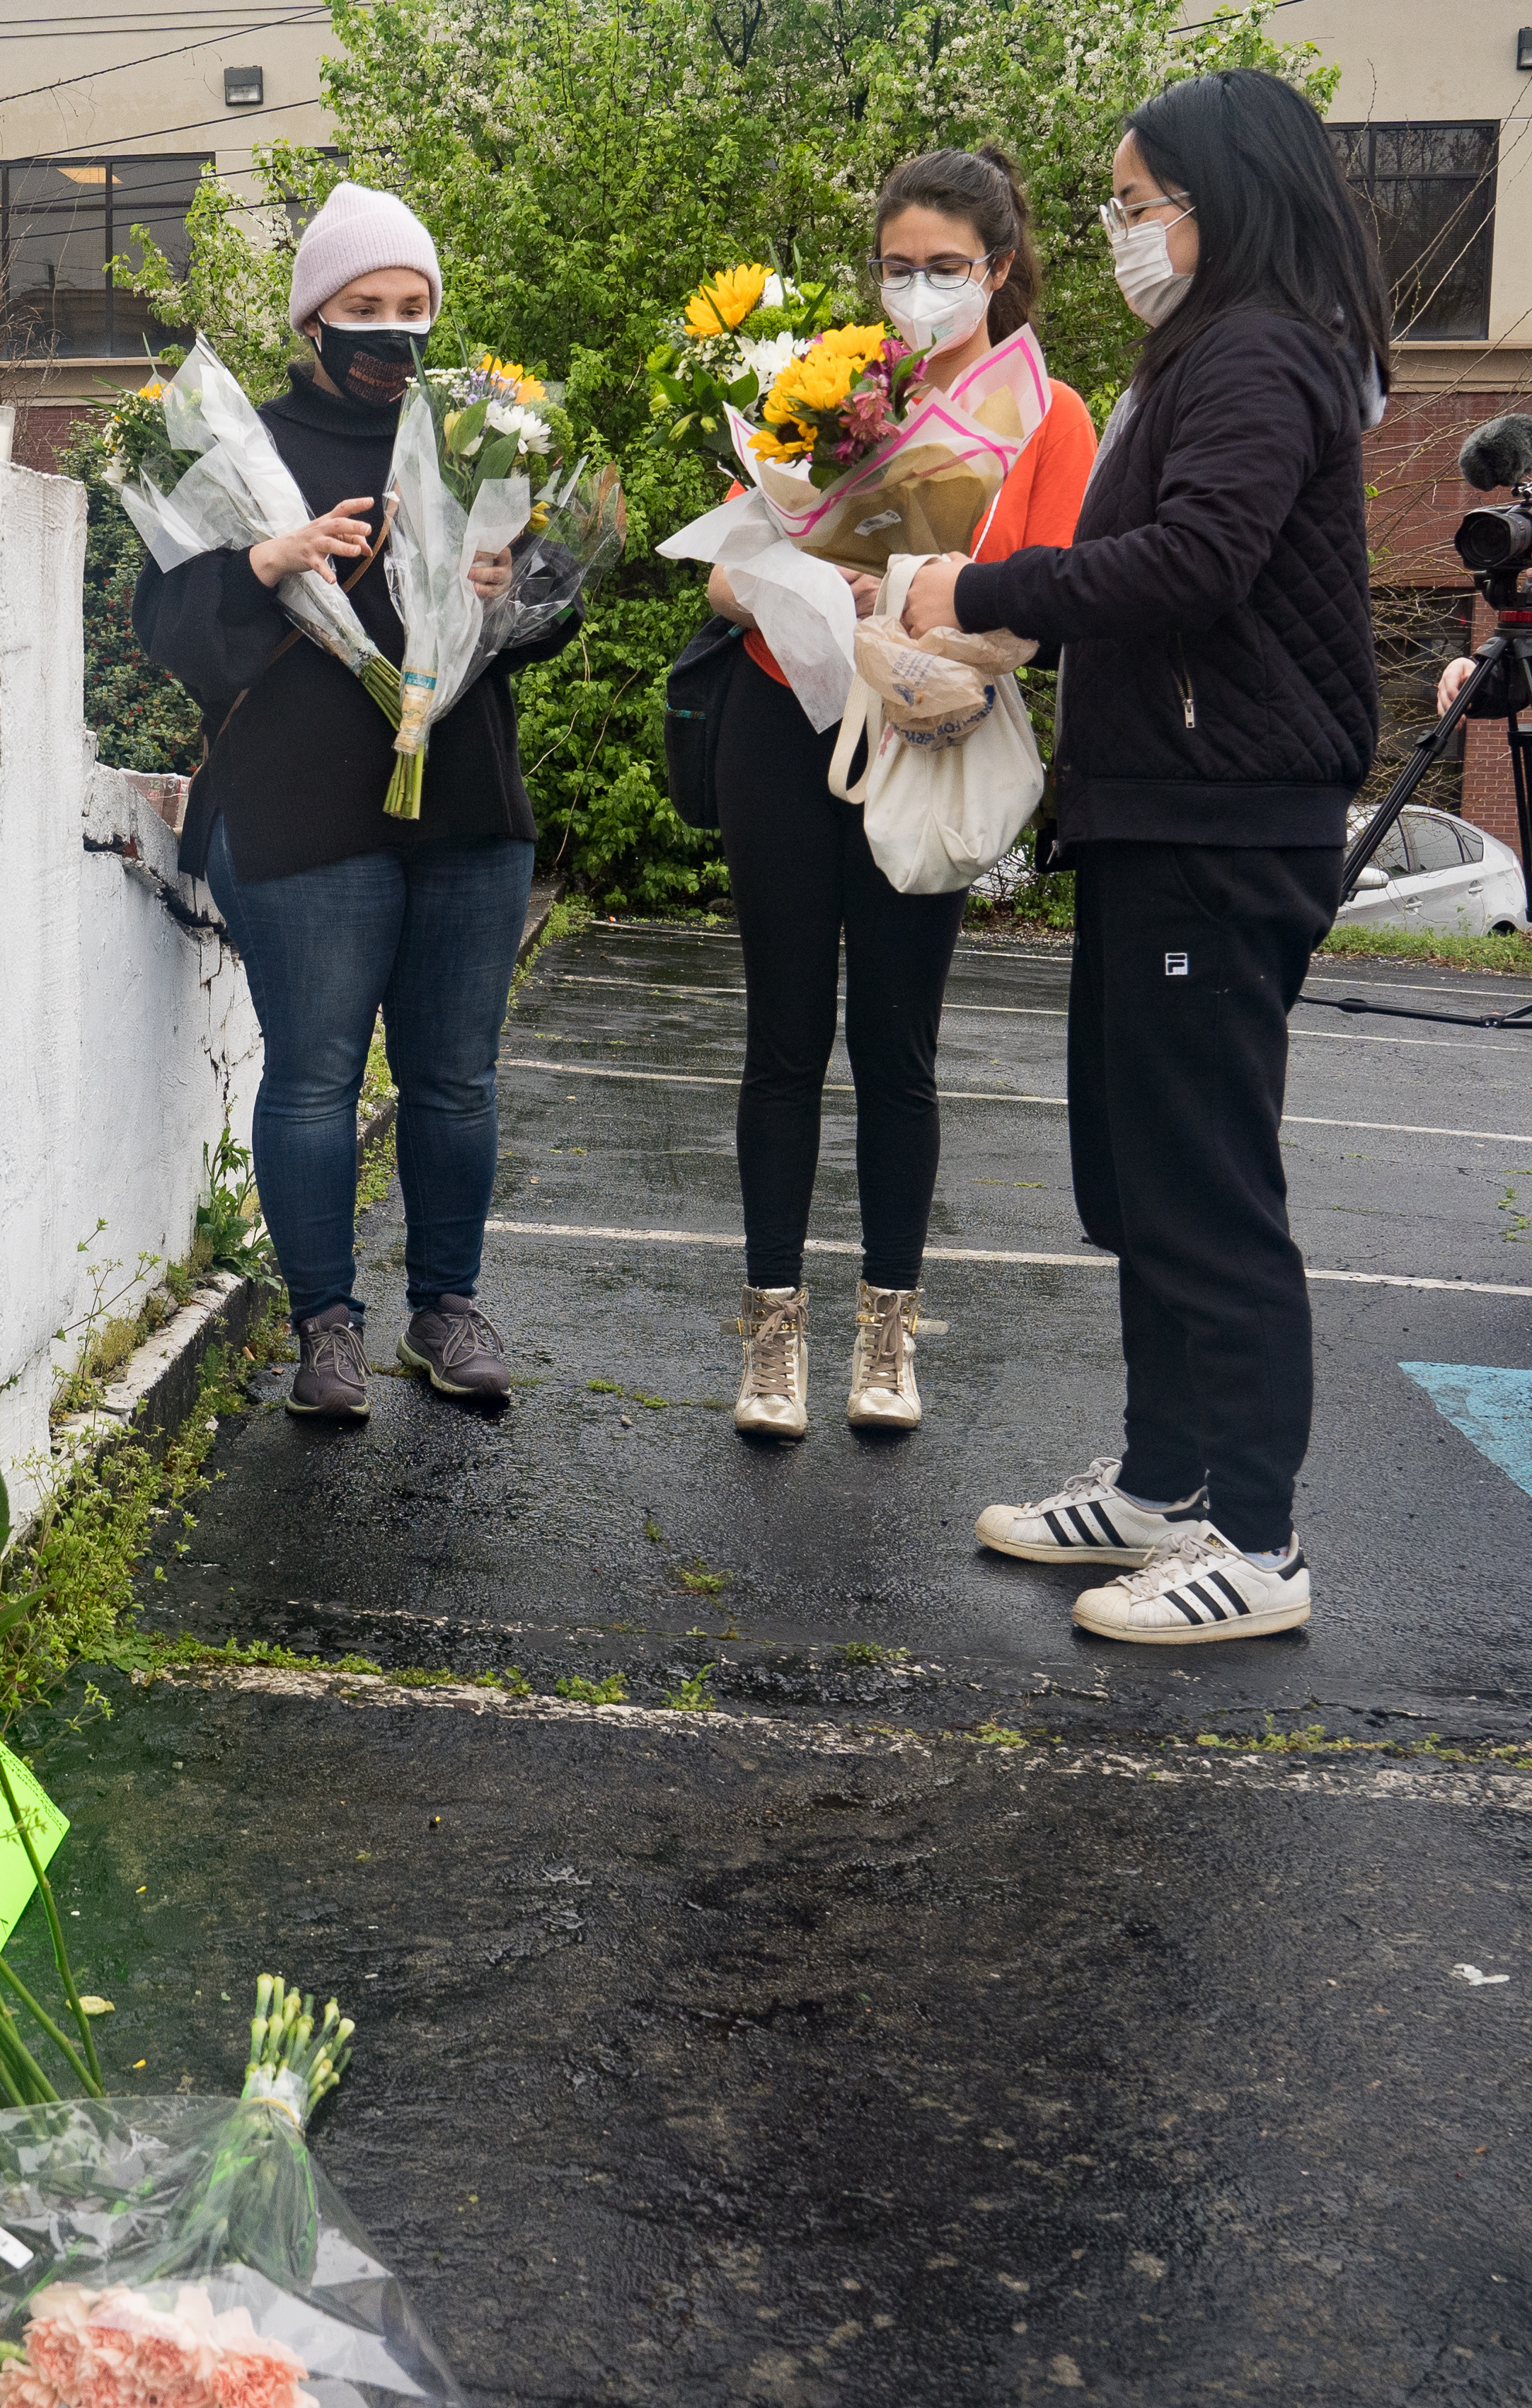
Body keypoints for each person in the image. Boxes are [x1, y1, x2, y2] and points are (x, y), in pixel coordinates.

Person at [902, 69, 1389, 1642]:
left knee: (1202, 1183)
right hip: (1155, 811)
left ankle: (1255, 1537)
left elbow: (1193, 562)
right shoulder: (1215, 348)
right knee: (1135, 1169)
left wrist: (982, 596)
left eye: (1132, 205)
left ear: (1216, 198)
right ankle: (1165, 1480)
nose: (1118, 231)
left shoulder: (1255, 351)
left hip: (1216, 820)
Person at [132, 182, 576, 1420]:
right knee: (317, 1077)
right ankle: (323, 1328)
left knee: (454, 1079)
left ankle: (448, 1307)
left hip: (464, 807)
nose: (392, 332)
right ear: (309, 321)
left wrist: (515, 578)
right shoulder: (231, 451)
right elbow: (159, 621)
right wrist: (266, 560)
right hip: (299, 804)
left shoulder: (483, 437)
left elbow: (555, 601)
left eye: (412, 308)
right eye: (363, 307)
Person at [701, 149, 1095, 1442]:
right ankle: (770, 1342)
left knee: (897, 1049)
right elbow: (720, 578)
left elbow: (1047, 602)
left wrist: (917, 613)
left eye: (947, 267)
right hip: (782, 718)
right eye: (899, 265)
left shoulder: (1049, 414)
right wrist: (812, 576)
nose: (919, 288)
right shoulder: (822, 385)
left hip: (924, 729)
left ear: (999, 269)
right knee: (778, 1043)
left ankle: (885, 1335)